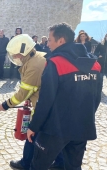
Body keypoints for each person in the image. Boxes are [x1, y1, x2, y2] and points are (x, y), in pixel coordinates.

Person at [27, 23, 103, 170]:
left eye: (49, 40)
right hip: (82, 127)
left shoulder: (55, 63)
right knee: (73, 167)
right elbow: (96, 98)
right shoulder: (96, 66)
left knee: (38, 165)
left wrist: (34, 126)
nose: (47, 43)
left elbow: (45, 100)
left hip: (54, 129)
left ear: (61, 41)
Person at [0, 34, 64, 170]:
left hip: (43, 108)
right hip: (52, 106)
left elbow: (23, 93)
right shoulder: (36, 57)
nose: (15, 58)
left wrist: (5, 105)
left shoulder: (34, 65)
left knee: (32, 134)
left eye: (16, 55)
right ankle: (59, 162)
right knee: (54, 137)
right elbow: (34, 87)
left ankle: (26, 163)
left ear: (23, 51)